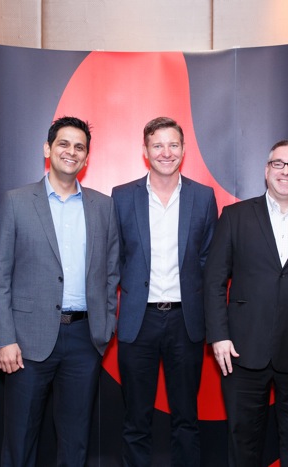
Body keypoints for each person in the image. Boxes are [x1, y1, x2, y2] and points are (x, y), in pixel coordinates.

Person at [0, 116, 119, 467]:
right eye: (63, 144)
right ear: (47, 149)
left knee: (75, 441)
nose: (71, 152)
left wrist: (104, 328)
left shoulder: (103, 206)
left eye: (79, 147)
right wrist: (4, 339)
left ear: (87, 157)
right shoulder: (16, 202)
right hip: (26, 342)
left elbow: (111, 272)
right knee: (20, 439)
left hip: (84, 340)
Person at [204, 140, 288, 467]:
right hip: (242, 350)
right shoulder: (235, 217)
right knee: (243, 443)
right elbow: (213, 280)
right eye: (278, 163)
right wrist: (219, 336)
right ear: (266, 171)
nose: (285, 171)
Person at [112, 116, 217, 466]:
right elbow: (115, 257)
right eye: (157, 145)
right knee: (136, 419)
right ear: (145, 151)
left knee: (186, 418)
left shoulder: (203, 197)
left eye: (173, 145)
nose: (166, 152)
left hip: (185, 322)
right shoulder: (122, 196)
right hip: (137, 321)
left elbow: (208, 259)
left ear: (184, 150)